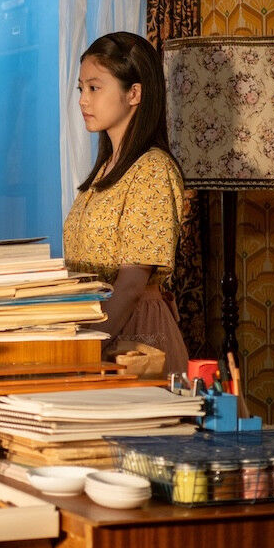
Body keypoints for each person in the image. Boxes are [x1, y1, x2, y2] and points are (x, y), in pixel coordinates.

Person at [62, 31, 188, 374]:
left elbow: (131, 285)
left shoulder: (153, 169)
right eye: (80, 89)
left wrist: (89, 347)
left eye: (94, 88)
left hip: (134, 335)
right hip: (99, 325)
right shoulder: (105, 170)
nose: (83, 101)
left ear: (134, 93)